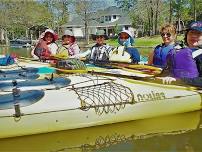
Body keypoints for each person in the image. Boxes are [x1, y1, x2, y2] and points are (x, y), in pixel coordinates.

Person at [159, 21, 202, 87]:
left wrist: (180, 80)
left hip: (189, 88)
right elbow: (167, 70)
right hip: (171, 84)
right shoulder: (178, 50)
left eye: (198, 34)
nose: (193, 36)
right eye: (191, 33)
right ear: (186, 35)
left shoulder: (200, 55)